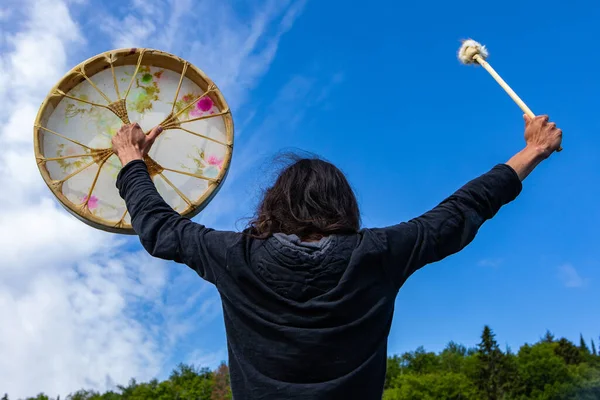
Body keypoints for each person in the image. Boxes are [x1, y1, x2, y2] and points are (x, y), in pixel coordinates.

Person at [111, 114, 562, 399]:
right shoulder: (378, 255)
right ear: (343, 206)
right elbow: (462, 210)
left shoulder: (237, 257)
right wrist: (533, 150)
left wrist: (132, 160)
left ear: (274, 204)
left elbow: (160, 229)